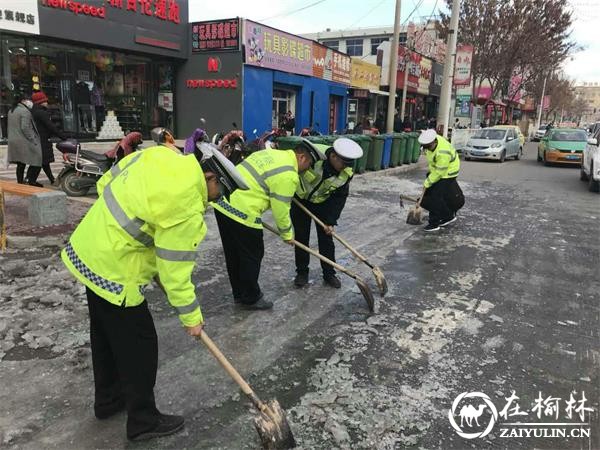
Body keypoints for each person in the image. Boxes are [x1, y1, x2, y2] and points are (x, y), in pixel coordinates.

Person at [60, 128, 248, 442]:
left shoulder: (161, 154)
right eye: (221, 192)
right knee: (140, 346)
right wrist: (191, 317)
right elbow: (175, 271)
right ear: (210, 178)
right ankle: (143, 421)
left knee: (105, 336)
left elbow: (108, 180)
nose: (218, 201)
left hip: (88, 248)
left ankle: (108, 401)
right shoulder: (187, 204)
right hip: (116, 271)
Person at [212, 140, 323, 310]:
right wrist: (287, 234)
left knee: (233, 254)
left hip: (223, 203)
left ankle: (239, 294)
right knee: (252, 255)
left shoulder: (272, 154)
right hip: (243, 211)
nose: (307, 169)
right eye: (309, 164)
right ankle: (251, 298)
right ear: (301, 157)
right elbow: (281, 209)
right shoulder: (288, 174)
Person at [292, 138, 363, 288]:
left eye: (348, 164)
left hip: (322, 202)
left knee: (326, 238)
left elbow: (340, 196)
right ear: (333, 156)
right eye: (343, 164)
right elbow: (292, 169)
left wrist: (331, 220)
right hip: (299, 199)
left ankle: (329, 273)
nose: (345, 168)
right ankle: (302, 272)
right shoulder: (313, 156)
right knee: (301, 237)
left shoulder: (346, 172)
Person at [417, 129, 464, 232]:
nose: (426, 149)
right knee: (431, 192)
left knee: (435, 197)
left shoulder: (443, 151)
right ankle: (448, 216)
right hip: (438, 170)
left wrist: (428, 182)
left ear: (433, 142)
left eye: (427, 146)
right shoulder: (431, 143)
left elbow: (440, 171)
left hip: (448, 173)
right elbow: (434, 164)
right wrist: (430, 176)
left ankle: (434, 223)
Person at [30, 91, 67, 185]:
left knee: (43, 162)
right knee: (41, 161)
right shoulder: (41, 113)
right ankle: (31, 180)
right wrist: (63, 136)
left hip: (38, 139)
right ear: (41, 102)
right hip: (42, 140)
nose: (47, 103)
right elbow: (51, 127)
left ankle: (51, 179)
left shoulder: (34, 112)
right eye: (45, 101)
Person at [7, 92, 43, 186]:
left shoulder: (12, 110)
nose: (30, 102)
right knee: (37, 159)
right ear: (23, 101)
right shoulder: (24, 111)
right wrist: (33, 139)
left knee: (20, 163)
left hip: (14, 140)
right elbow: (25, 127)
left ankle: (20, 182)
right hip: (23, 141)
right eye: (28, 100)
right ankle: (31, 181)